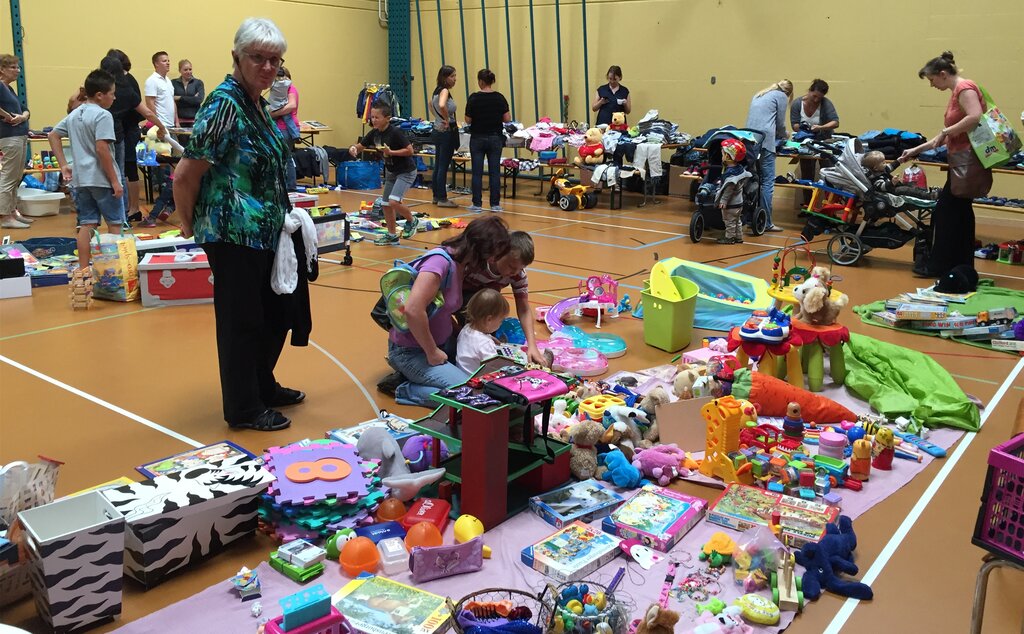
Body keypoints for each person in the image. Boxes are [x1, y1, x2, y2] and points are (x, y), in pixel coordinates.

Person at [173, 17, 302, 431]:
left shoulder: (256, 102)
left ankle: (262, 385)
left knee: (273, 314)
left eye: (275, 61)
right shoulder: (225, 102)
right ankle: (244, 407)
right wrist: (191, 226)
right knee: (241, 320)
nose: (268, 68)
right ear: (237, 57)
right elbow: (185, 174)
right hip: (231, 231)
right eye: (258, 58)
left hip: (263, 230)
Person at [384, 215, 511, 407]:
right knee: (469, 394)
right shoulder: (439, 262)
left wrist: (477, 337)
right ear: (479, 249)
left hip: (440, 345)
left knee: (482, 381)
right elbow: (413, 309)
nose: (492, 262)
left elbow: (441, 311)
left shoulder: (460, 265)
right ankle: (406, 389)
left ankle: (422, 375)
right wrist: (432, 351)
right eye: (491, 256)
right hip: (411, 352)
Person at [900, 51, 987, 280]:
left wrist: (946, 131)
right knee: (961, 213)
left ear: (942, 74)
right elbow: (947, 135)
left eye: (932, 80)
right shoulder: (955, 92)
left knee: (944, 213)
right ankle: (961, 265)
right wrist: (916, 150)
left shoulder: (964, 88)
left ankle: (939, 265)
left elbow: (975, 116)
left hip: (967, 161)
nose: (932, 85)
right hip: (959, 161)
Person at [47, 69, 124, 271]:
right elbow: (102, 148)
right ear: (100, 95)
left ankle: (83, 270)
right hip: (102, 179)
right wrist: (115, 180)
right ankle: (115, 271)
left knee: (86, 225)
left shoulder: (75, 114)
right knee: (115, 223)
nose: (114, 97)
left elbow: (53, 135)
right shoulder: (103, 115)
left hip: (81, 180)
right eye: (112, 93)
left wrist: (64, 164)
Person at [460, 230, 546, 364]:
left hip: (483, 305)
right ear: (499, 254)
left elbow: (523, 309)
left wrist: (532, 345)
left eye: (520, 268)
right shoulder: (476, 265)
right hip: (462, 301)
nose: (515, 273)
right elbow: (448, 300)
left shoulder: (518, 274)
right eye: (512, 266)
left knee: (494, 308)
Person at [349, 103, 420, 245]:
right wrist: (354, 148)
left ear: (387, 118)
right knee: (386, 204)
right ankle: (392, 235)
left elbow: (410, 150)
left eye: (377, 117)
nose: (374, 120)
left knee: (394, 201)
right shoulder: (374, 133)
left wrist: (391, 152)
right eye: (372, 117)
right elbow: (361, 145)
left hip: (406, 171)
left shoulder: (395, 133)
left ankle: (412, 220)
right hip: (391, 172)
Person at [745, 79, 793, 232]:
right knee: (767, 181)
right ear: (789, 92)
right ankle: (766, 222)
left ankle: (748, 217)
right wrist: (786, 136)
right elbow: (780, 124)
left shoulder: (759, 94)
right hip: (765, 141)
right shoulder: (781, 96)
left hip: (749, 139)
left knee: (751, 178)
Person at [107, 49, 145, 221]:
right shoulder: (118, 82)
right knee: (124, 171)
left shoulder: (127, 82)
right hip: (123, 130)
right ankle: (128, 208)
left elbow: (140, 109)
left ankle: (134, 208)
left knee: (129, 170)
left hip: (129, 130)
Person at [464, 69, 510, 212]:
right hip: (495, 138)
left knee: (477, 172)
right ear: (492, 81)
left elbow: (468, 120)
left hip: (477, 138)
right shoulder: (500, 98)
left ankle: (477, 204)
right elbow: (507, 118)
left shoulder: (474, 98)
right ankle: (495, 204)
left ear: (480, 81)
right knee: (494, 172)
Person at [790, 79, 839, 203]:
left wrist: (821, 128)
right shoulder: (797, 103)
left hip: (824, 142)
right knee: (807, 174)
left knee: (828, 172)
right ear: (810, 91)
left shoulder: (826, 104)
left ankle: (829, 205)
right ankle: (808, 204)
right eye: (814, 96)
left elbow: (835, 122)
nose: (816, 100)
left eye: (820, 98)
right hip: (805, 143)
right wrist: (805, 128)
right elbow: (794, 124)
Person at [0, 54, 32, 229]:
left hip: (19, 133)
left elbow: (25, 109)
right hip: (9, 136)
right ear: (2, 70)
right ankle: (5, 216)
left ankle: (12, 211)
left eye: (17, 67)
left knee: (17, 176)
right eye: (12, 67)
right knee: (8, 176)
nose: (17, 70)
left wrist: (22, 117)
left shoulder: (9, 89)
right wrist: (8, 116)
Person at [456, 288, 509, 374]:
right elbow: (495, 368)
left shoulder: (467, 328)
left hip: (461, 372)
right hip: (475, 381)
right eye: (501, 320)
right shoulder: (485, 344)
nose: (501, 324)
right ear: (489, 319)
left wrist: (490, 337)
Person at [431, 65, 459, 208]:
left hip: (437, 129)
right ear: (445, 77)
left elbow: (431, 104)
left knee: (438, 164)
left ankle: (436, 195)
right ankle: (442, 198)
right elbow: (442, 105)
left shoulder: (435, 91)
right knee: (443, 165)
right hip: (446, 132)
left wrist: (437, 117)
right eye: (452, 76)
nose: (455, 79)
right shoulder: (444, 91)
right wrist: (447, 119)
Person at [714, 139, 753, 245]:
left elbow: (728, 189)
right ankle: (739, 237)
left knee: (729, 221)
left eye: (723, 154)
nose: (721, 156)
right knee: (737, 221)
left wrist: (723, 201)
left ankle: (729, 238)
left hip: (731, 204)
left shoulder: (730, 175)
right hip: (739, 202)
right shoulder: (739, 169)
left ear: (727, 156)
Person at [270, 66, 299, 191]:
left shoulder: (290, 88)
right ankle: (284, 186)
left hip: (284, 129)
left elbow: (292, 105)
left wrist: (273, 113)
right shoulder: (277, 89)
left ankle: (290, 187)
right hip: (279, 127)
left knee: (285, 157)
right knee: (283, 157)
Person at [145, 51, 177, 128]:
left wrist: (177, 121)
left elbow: (172, 101)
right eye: (164, 61)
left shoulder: (168, 80)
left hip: (171, 124)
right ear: (156, 64)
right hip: (161, 125)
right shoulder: (152, 80)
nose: (168, 63)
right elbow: (150, 103)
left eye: (168, 61)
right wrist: (157, 124)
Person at [172, 59, 205, 126]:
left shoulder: (198, 83)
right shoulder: (173, 83)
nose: (188, 72)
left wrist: (179, 98)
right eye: (185, 70)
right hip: (179, 121)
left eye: (190, 69)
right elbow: (171, 100)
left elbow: (199, 100)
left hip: (195, 120)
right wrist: (192, 98)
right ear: (179, 71)